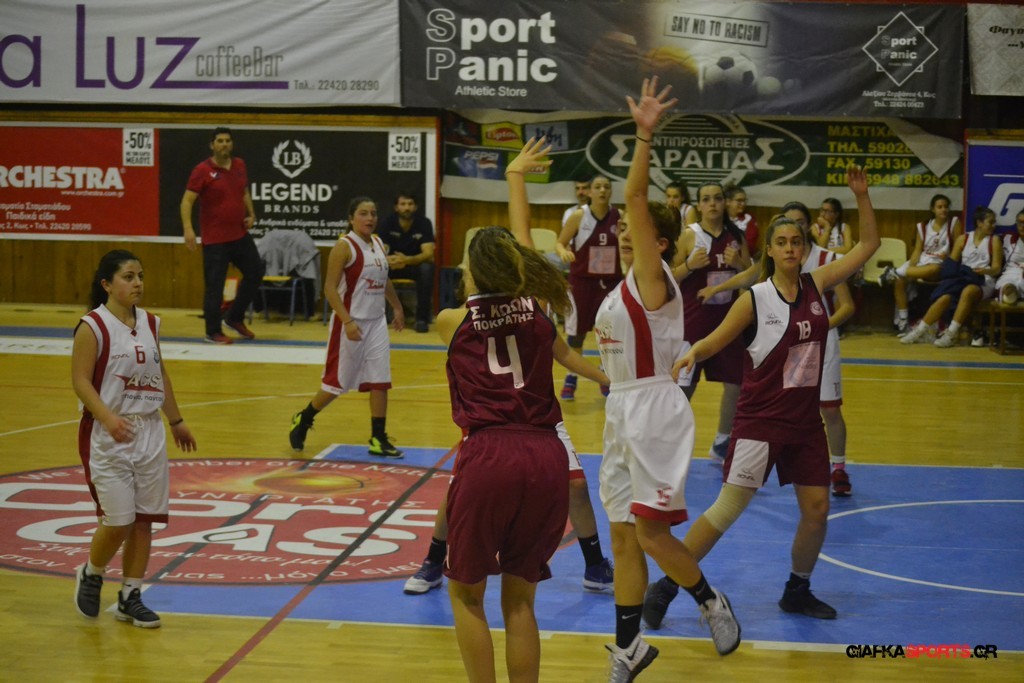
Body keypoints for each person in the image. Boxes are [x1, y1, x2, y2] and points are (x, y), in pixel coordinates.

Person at [658, 166, 880, 631]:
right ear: (771, 251)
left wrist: (861, 196)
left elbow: (868, 246)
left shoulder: (817, 284)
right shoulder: (755, 298)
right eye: (781, 242)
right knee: (726, 510)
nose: (790, 248)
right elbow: (716, 340)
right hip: (760, 422)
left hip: (804, 424)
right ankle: (666, 586)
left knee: (817, 511)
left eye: (796, 242)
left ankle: (797, 590)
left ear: (804, 248)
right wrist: (690, 355)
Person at [437, 138, 610, 683]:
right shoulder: (537, 309)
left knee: (466, 596)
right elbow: (525, 252)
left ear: (473, 270)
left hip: (490, 454)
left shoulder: (450, 321)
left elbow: (507, 272)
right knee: (520, 603)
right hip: (545, 456)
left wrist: (513, 175)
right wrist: (517, 180)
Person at [598, 78, 741, 682]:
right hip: (620, 410)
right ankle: (629, 648)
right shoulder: (623, 287)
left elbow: (634, 195)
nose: (623, 231)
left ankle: (710, 600)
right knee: (623, 539)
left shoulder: (653, 280)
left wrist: (643, 135)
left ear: (658, 243)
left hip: (653, 410)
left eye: (633, 228)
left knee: (652, 535)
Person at [71, 250, 197, 629]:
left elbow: (161, 374)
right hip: (108, 432)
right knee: (119, 521)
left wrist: (175, 420)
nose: (138, 283)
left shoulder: (151, 323)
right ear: (107, 284)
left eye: (140, 276)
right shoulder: (93, 326)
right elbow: (80, 381)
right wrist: (108, 418)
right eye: (128, 276)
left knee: (143, 521)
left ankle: (131, 595)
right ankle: (92, 571)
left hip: (149, 432)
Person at [289, 197, 406, 458]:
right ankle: (304, 418)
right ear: (351, 218)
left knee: (380, 380)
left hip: (376, 323)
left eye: (373, 213)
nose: (370, 218)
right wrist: (348, 321)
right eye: (363, 213)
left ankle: (378, 438)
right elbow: (329, 289)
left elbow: (384, 279)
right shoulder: (344, 246)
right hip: (350, 323)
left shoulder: (378, 243)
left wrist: (397, 307)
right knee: (337, 384)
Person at [672, 179, 753, 464]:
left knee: (735, 384)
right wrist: (689, 266)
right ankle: (671, 441)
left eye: (717, 198)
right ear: (699, 205)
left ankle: (721, 441)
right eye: (706, 199)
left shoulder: (736, 236)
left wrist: (740, 264)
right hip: (693, 324)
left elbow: (753, 278)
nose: (712, 204)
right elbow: (668, 277)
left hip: (727, 324)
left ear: (725, 202)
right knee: (684, 388)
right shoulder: (688, 236)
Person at [180, 127, 265, 344]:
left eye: (228, 140)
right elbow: (187, 201)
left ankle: (234, 317)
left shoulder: (239, 165)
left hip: (239, 235)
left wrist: (252, 214)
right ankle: (213, 331)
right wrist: (188, 229)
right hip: (215, 240)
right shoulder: (202, 170)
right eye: (220, 141)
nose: (224, 144)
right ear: (212, 145)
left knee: (256, 272)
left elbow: (244, 192)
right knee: (215, 287)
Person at [555, 173, 620, 400]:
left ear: (611, 191)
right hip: (582, 283)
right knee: (577, 336)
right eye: (598, 187)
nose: (602, 190)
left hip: (610, 285)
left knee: (609, 335)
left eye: (606, 186)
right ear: (590, 191)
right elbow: (560, 242)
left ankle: (605, 374)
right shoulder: (579, 216)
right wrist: (563, 252)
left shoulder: (620, 217)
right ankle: (571, 377)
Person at [901, 206, 1003, 347]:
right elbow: (951, 264)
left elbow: (997, 269)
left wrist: (984, 271)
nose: (993, 225)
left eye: (994, 222)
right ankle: (919, 331)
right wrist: (948, 264)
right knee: (945, 297)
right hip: (964, 278)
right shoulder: (963, 239)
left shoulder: (994, 240)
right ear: (979, 223)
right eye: (990, 222)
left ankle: (951, 334)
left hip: (983, 281)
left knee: (968, 291)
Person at [881, 194, 961, 334]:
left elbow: (958, 247)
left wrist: (948, 257)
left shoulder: (954, 223)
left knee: (933, 269)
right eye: (940, 207)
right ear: (932, 209)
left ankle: (894, 271)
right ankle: (903, 320)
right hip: (923, 261)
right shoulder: (923, 226)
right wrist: (911, 266)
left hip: (942, 265)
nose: (943, 210)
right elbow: (917, 251)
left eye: (946, 207)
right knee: (899, 280)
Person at [377, 192, 436, 333]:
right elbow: (381, 251)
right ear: (396, 207)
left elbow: (428, 253)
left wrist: (407, 260)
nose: (407, 208)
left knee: (427, 268)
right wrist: (391, 260)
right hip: (393, 265)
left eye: (410, 204)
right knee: (377, 267)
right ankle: (379, 316)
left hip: (413, 266)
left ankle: (421, 319)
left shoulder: (424, 223)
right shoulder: (387, 222)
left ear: (415, 207)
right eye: (403, 204)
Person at [995, 210, 1024, 305]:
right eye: (1019, 222)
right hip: (1011, 274)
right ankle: (1011, 293)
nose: (1022, 226)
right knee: (1008, 287)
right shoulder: (1008, 237)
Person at [724, 182, 759, 257]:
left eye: (744, 201)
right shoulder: (719, 219)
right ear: (728, 202)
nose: (743, 204)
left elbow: (750, 246)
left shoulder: (749, 219)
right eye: (739, 200)